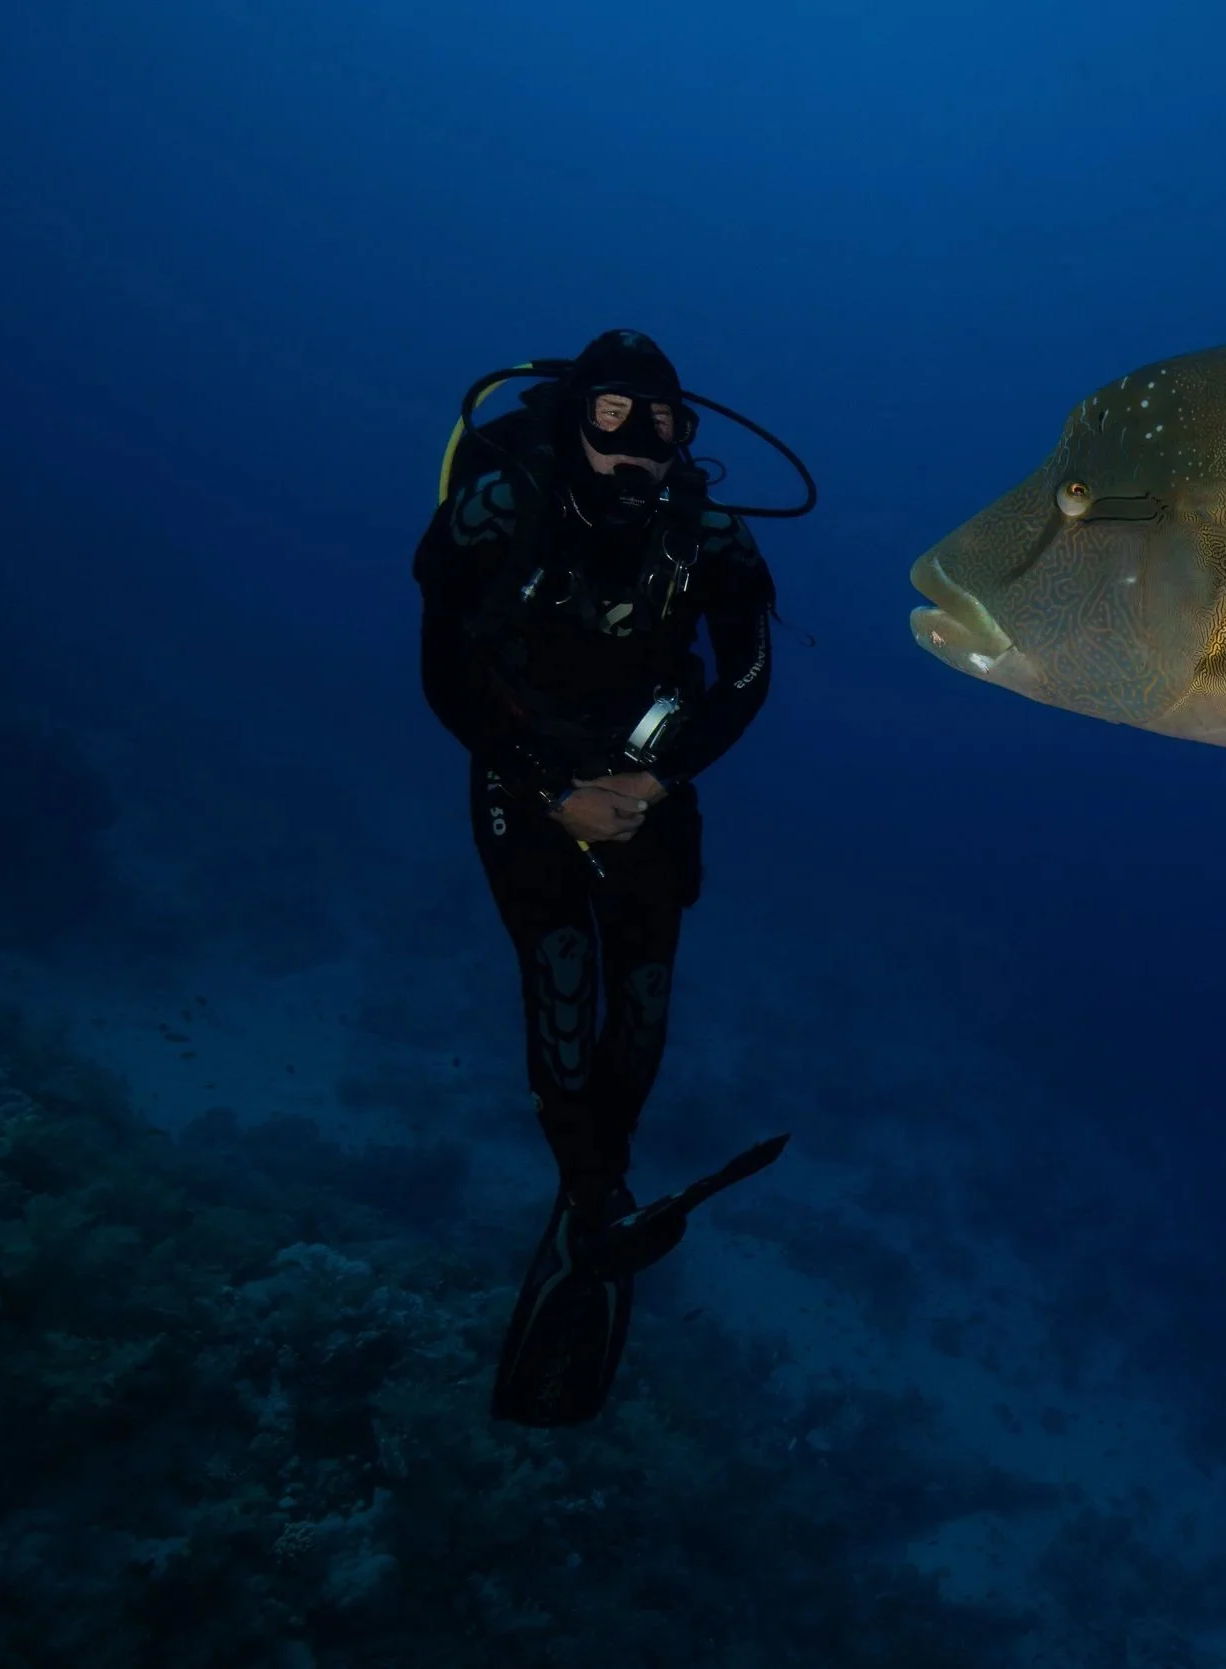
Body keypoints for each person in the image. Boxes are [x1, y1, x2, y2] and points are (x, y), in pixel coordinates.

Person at [413, 328, 808, 1425]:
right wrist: (551, 788)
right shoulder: (499, 509)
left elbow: (749, 676)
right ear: (574, 418)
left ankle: (601, 1179)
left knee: (641, 991)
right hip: (524, 774)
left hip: (643, 787)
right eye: (612, 419)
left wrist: (656, 777)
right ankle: (589, 1194)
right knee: (560, 972)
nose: (636, 447)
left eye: (662, 426)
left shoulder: (710, 536)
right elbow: (443, 671)